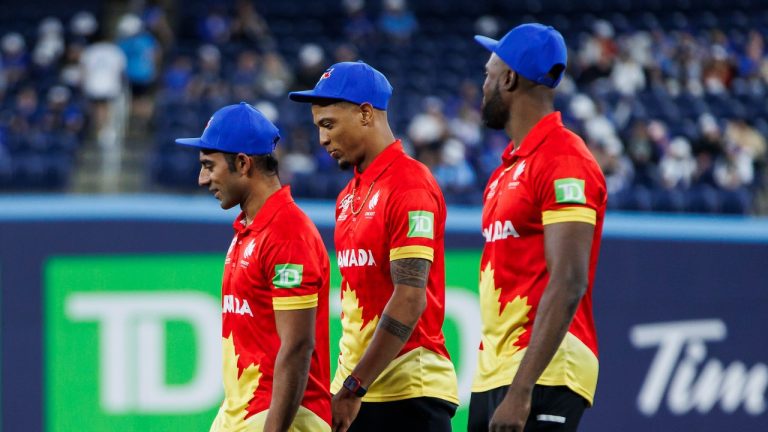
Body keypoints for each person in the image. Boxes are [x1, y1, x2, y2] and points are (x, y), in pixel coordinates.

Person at [289, 61, 458, 431]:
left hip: (407, 394)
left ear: (366, 113)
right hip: (359, 393)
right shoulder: (347, 197)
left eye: (328, 125)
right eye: (318, 127)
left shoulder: (409, 184)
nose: (322, 140)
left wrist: (353, 387)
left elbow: (410, 298)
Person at [468, 24, 607, 432]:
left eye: (487, 74)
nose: (483, 84)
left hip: (544, 371)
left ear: (509, 79)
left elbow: (568, 281)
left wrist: (521, 390)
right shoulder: (508, 168)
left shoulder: (564, 160)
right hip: (496, 369)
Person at [175, 102, 331, 432]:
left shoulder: (287, 232)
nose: (202, 180)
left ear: (243, 163)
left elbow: (298, 346)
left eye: (208, 166)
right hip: (242, 414)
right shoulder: (248, 230)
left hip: (283, 419)